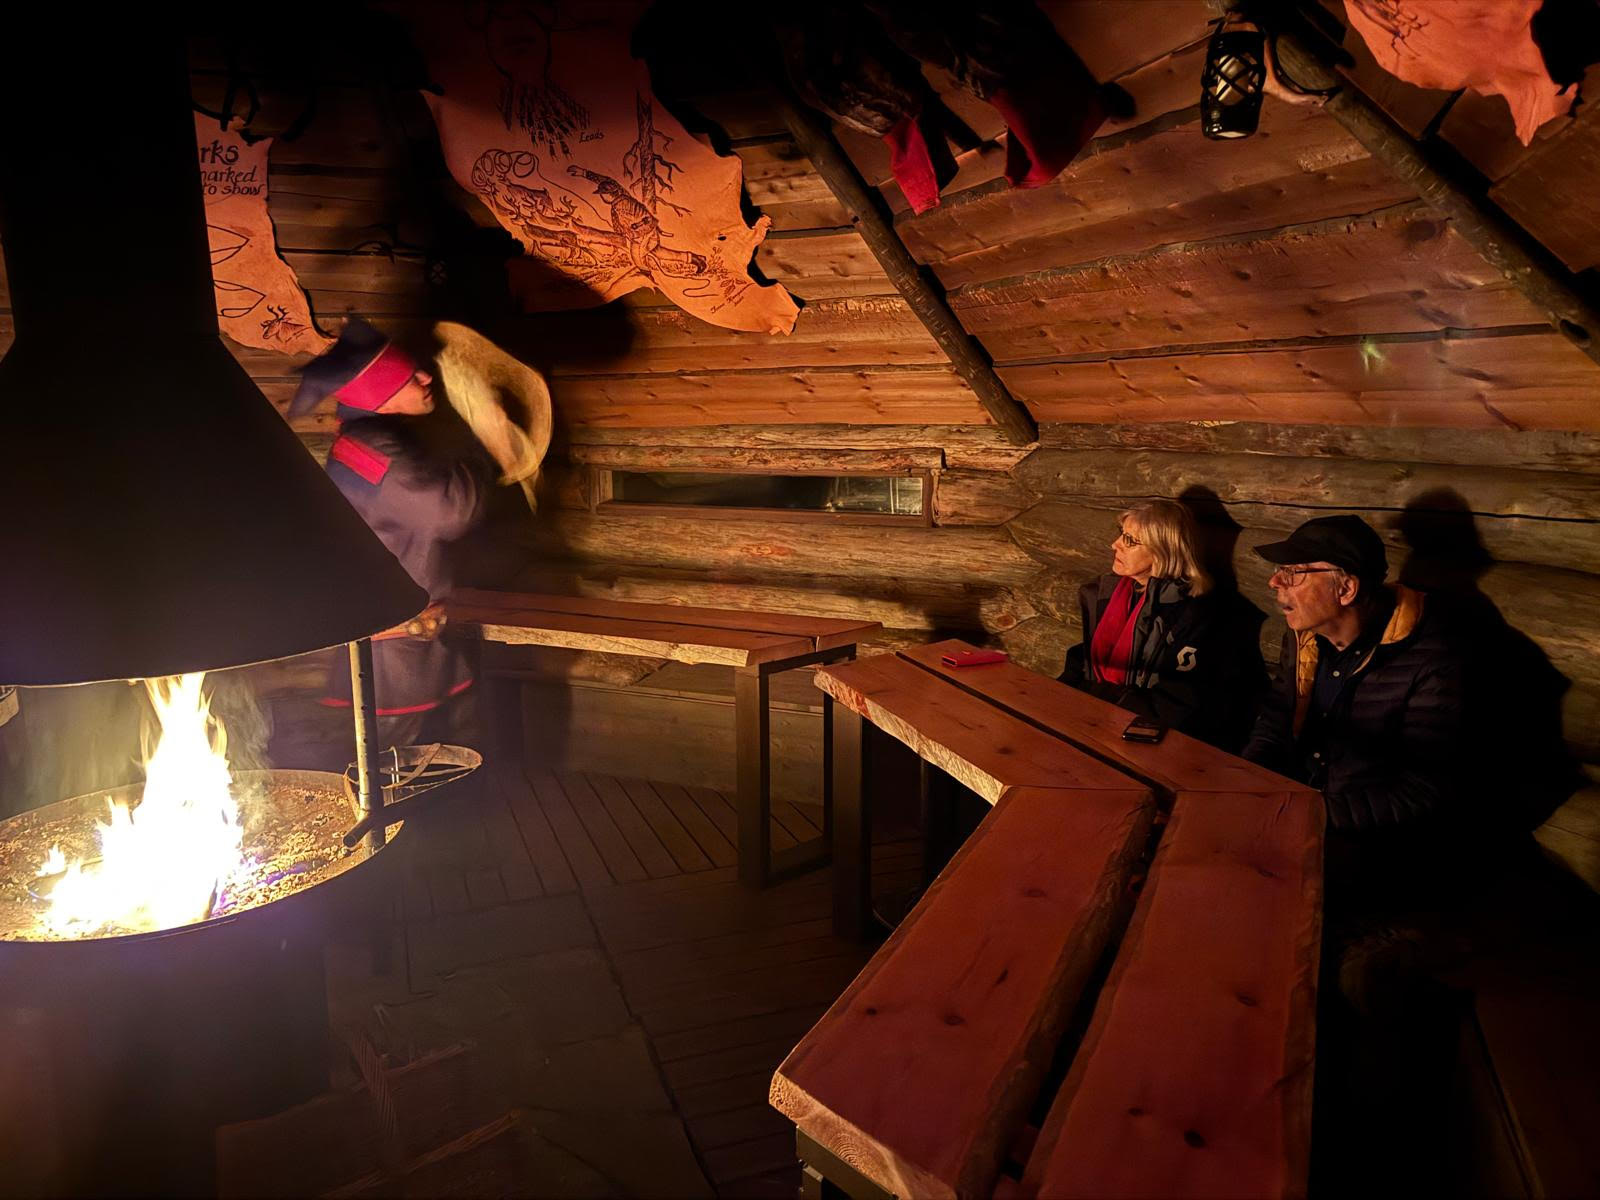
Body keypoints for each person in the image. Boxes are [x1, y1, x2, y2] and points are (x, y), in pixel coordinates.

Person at [288, 319, 495, 749]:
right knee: (394, 768)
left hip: (416, 641)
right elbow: (448, 511)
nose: (424, 377)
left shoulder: (374, 441)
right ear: (380, 394)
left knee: (436, 762)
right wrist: (489, 448)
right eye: (408, 376)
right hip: (394, 656)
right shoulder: (373, 453)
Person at [1060, 498, 1265, 751]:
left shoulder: (1202, 612)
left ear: (1164, 549)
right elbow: (1086, 659)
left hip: (1157, 744)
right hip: (1099, 724)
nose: (1114, 545)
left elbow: (1179, 703)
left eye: (1130, 540)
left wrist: (1090, 701)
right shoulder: (1106, 594)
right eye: (1121, 534)